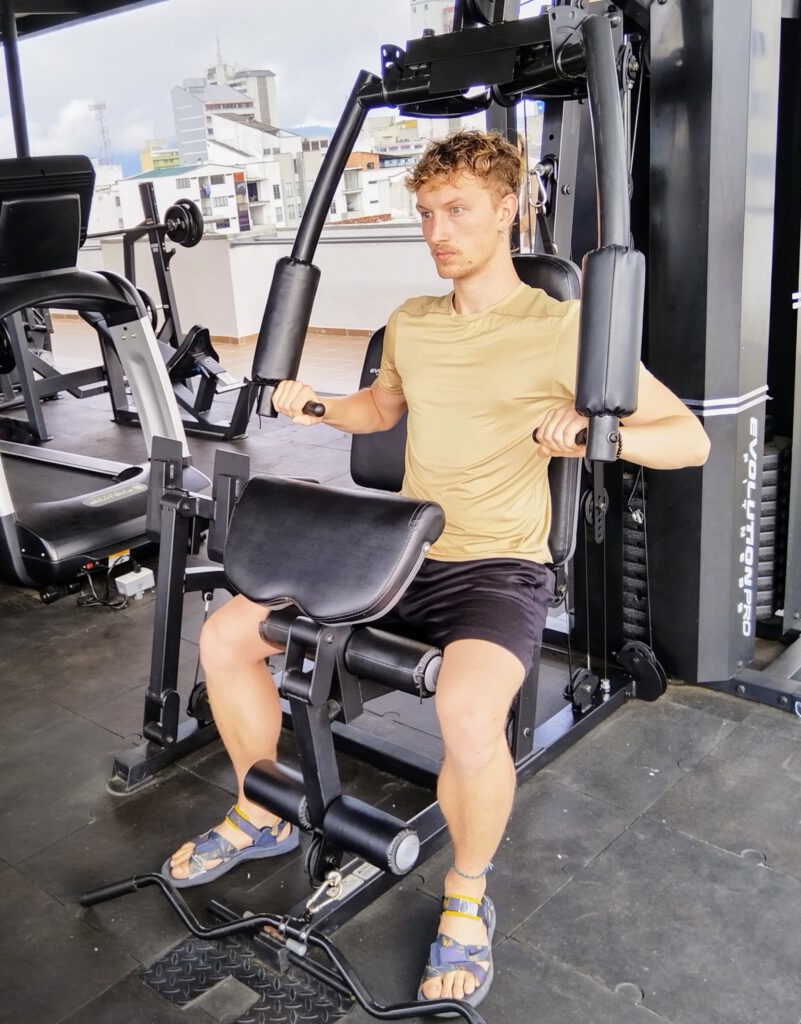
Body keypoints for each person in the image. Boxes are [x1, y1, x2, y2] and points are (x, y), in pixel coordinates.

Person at [165, 129, 710, 1011]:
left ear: (508, 209)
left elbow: (689, 439)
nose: (437, 230)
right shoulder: (411, 324)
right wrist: (315, 404)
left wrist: (592, 432)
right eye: (425, 213)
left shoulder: (566, 329)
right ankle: (261, 810)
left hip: (498, 568)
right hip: (401, 552)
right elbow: (381, 407)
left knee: (464, 711)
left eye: (457, 210)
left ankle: (465, 894)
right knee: (228, 634)